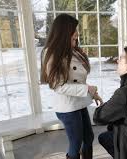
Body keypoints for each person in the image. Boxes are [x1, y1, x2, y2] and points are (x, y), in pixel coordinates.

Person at [40, 14, 103, 159]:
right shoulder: (52, 54)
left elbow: (77, 80)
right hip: (67, 106)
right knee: (76, 142)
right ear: (64, 31)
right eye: (74, 30)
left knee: (88, 138)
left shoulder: (72, 50)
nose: (77, 34)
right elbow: (58, 86)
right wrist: (88, 89)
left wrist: (93, 93)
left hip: (78, 102)